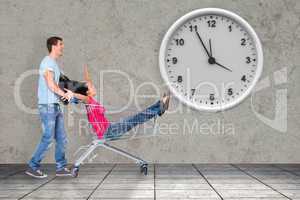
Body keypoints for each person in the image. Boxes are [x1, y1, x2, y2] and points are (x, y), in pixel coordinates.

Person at [68, 65, 171, 141]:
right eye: (92, 87)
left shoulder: (91, 100)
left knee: (137, 117)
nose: (94, 87)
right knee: (137, 118)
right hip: (108, 132)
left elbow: (88, 81)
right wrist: (72, 94)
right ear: (87, 93)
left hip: (111, 129)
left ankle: (160, 105)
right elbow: (81, 96)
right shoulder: (88, 101)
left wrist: (85, 68)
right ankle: (159, 107)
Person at [26, 37, 74, 178]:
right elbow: (51, 84)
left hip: (55, 106)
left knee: (61, 138)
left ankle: (61, 167)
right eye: (60, 44)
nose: (62, 47)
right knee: (48, 137)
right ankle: (33, 166)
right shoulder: (47, 62)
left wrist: (70, 92)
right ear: (53, 46)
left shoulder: (54, 64)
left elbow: (63, 84)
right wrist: (64, 95)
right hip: (48, 106)